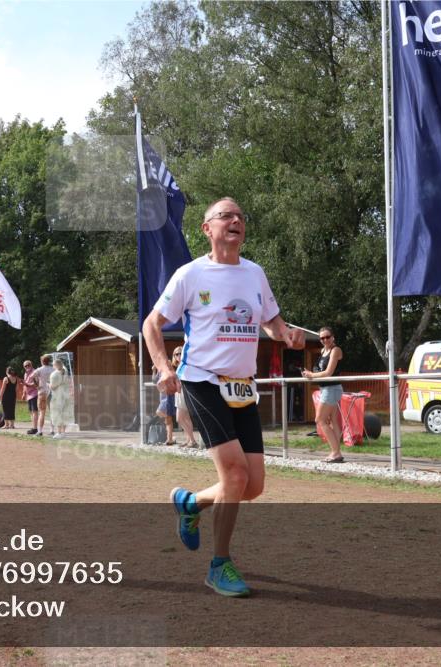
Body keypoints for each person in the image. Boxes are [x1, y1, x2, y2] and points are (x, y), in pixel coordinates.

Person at [144, 197, 304, 597]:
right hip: (201, 381)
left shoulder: (255, 274)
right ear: (207, 228)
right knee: (234, 476)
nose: (236, 221)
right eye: (226, 216)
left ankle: (190, 502)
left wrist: (285, 334)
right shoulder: (190, 274)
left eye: (240, 216)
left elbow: (270, 320)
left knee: (252, 486)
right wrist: (164, 367)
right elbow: (152, 323)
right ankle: (220, 565)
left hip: (242, 385)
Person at [302, 326, 345, 463]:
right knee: (332, 420)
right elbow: (321, 371)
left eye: (327, 337)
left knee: (319, 420)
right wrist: (309, 374)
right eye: (322, 338)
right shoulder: (323, 351)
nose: (325, 340)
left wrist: (311, 375)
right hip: (327, 388)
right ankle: (336, 452)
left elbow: (328, 373)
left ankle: (335, 452)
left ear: (333, 337)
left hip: (332, 388)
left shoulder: (335, 350)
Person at [171, 347, 199, 447]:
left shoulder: (186, 364)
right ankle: (189, 440)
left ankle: (192, 440)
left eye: (180, 353)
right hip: (179, 393)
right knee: (186, 418)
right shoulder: (178, 366)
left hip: (184, 392)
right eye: (176, 354)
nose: (178, 356)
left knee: (179, 418)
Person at [48, 358, 74, 438]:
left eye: (53, 364)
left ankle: (59, 432)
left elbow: (52, 387)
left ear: (55, 365)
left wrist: (48, 385)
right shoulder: (65, 372)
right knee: (64, 412)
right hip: (65, 395)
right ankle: (63, 432)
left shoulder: (54, 374)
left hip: (57, 396)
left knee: (57, 413)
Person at [152, 365, 177, 446]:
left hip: (169, 397)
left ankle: (170, 438)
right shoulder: (160, 371)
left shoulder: (169, 372)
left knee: (159, 412)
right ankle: (170, 439)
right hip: (163, 397)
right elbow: (154, 380)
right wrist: (154, 370)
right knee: (168, 419)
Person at [35, 355, 53, 436]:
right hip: (52, 391)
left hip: (42, 391)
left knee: (42, 412)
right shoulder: (53, 369)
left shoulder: (39, 370)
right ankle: (52, 430)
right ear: (49, 361)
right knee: (52, 411)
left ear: (42, 361)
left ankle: (40, 431)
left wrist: (36, 385)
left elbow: (31, 377)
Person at [22, 360, 41, 434]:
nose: (27, 366)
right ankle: (33, 427)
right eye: (25, 366)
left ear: (31, 364)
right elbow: (24, 384)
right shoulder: (25, 373)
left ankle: (35, 428)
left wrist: (27, 384)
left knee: (35, 411)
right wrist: (24, 393)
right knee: (31, 411)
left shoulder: (35, 372)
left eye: (28, 365)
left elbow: (36, 383)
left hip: (34, 394)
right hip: (28, 395)